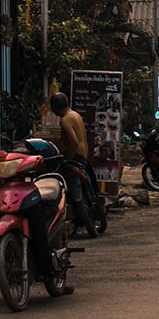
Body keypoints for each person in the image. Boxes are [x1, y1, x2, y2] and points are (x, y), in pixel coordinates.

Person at [50, 90, 97, 237]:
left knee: (70, 189)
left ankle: (79, 214)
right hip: (83, 157)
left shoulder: (65, 120)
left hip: (75, 158)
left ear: (54, 107)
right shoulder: (75, 115)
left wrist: (66, 159)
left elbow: (74, 141)